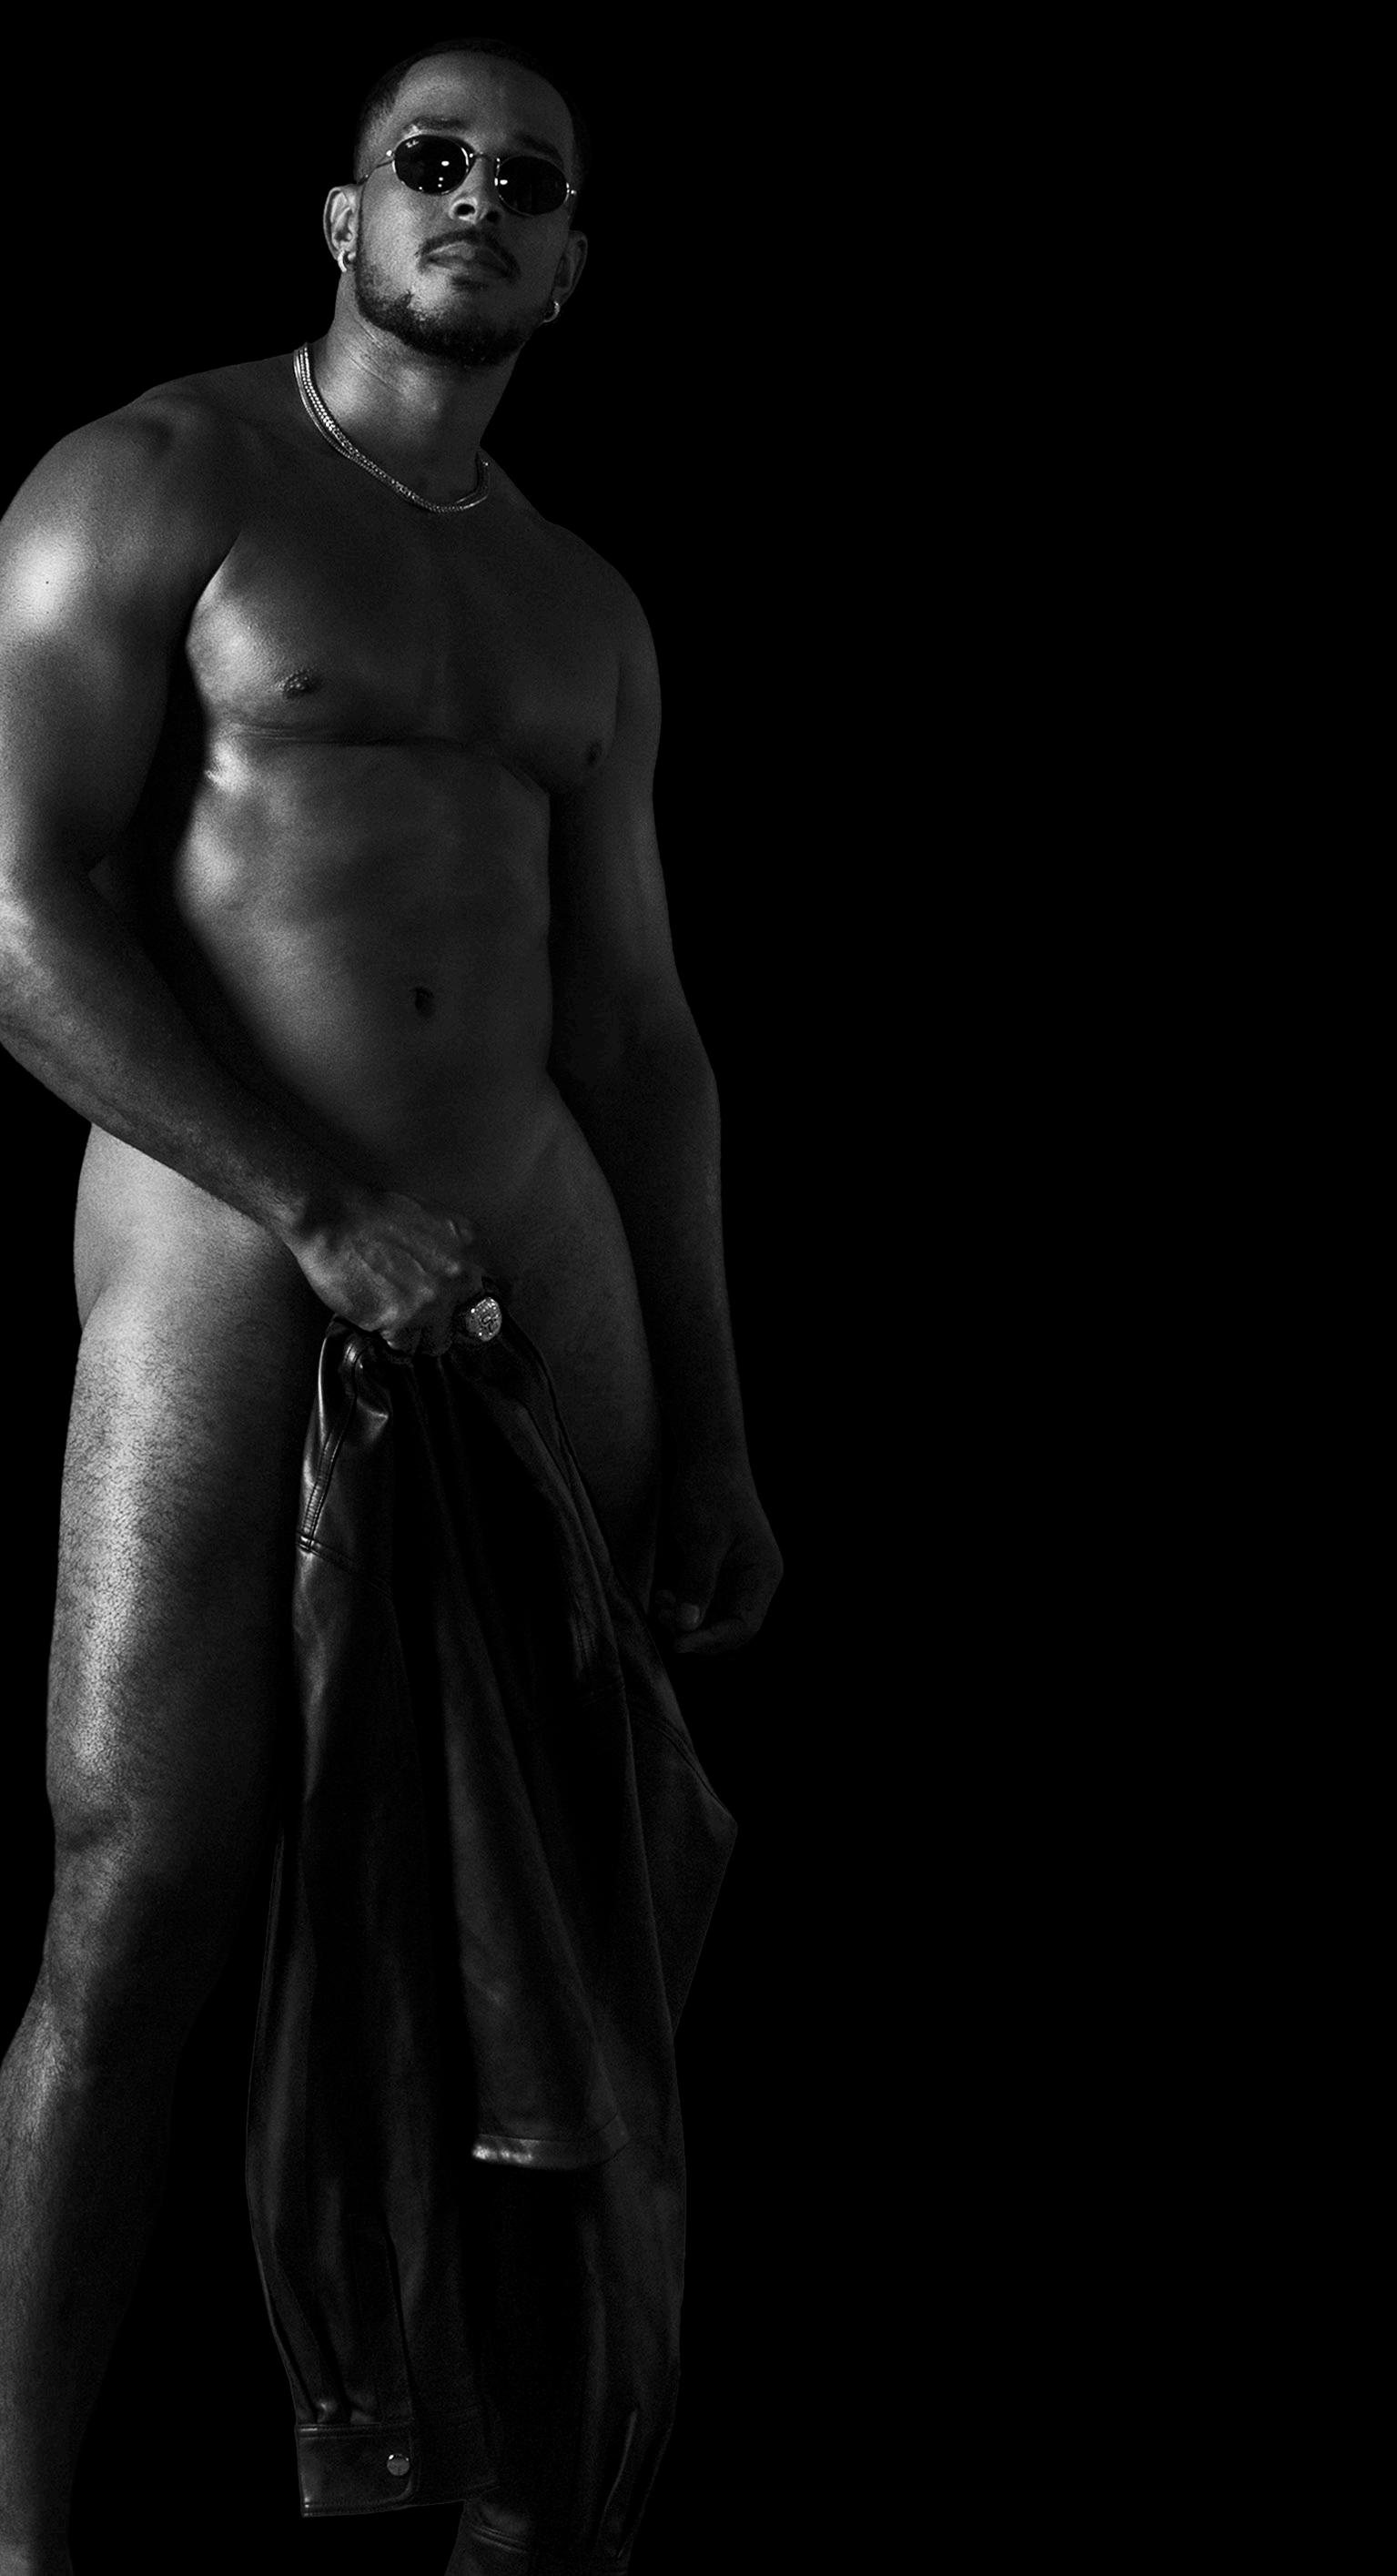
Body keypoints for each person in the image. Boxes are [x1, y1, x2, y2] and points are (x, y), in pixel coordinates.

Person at [0, 36, 780, 2575]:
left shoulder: (583, 607)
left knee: (562, 1907)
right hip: (233, 1245)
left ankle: (488, 2510)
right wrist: (316, 1205)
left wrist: (720, 1424)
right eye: (427, 162)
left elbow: (639, 1036)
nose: (476, 200)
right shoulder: (162, 478)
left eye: (525, 184)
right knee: (145, 1895)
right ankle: (27, 2542)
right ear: (342, 216)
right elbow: (17, 923)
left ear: (570, 265)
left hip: (534, 1275)